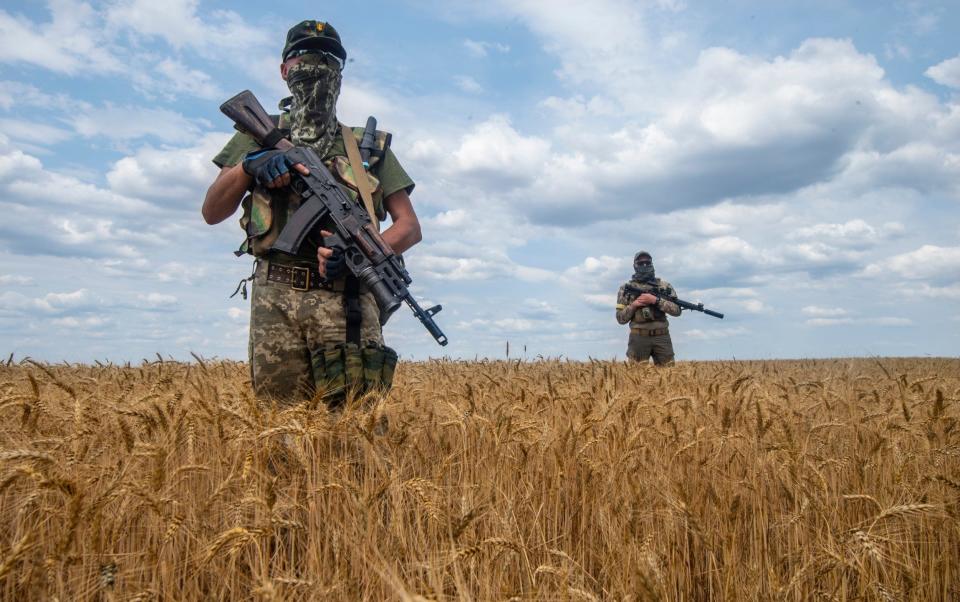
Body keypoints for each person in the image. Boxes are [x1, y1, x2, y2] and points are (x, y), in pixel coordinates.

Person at [202, 20, 422, 406]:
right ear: (284, 70)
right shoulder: (257, 132)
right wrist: (249, 166)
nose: (315, 65)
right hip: (276, 298)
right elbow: (212, 210)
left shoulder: (367, 149)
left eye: (327, 58)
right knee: (279, 427)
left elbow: (409, 226)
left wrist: (356, 255)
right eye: (303, 56)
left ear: (340, 73)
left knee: (355, 429)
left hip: (346, 300)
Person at [615, 251, 681, 366]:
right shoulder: (625, 289)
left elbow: (677, 311)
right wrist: (634, 305)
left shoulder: (664, 286)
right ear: (635, 265)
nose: (644, 265)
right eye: (641, 263)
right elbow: (621, 319)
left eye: (647, 262)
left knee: (668, 375)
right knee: (635, 377)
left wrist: (656, 301)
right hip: (638, 337)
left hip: (662, 337)